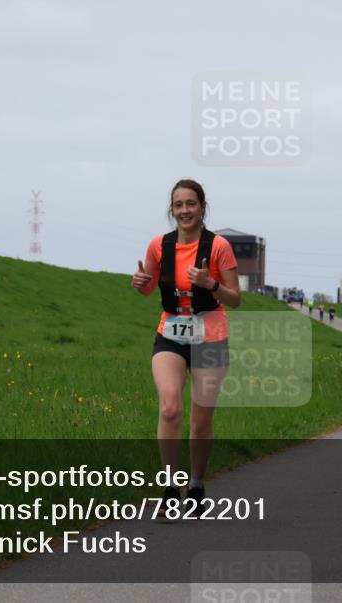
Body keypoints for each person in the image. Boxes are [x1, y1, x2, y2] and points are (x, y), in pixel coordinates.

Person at [131, 179, 241, 515]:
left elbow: (235, 299)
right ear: (171, 210)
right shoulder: (159, 246)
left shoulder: (219, 246)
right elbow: (149, 289)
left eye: (190, 204)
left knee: (200, 423)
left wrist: (211, 284)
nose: (184, 211)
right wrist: (140, 285)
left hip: (211, 335)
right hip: (171, 333)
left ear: (203, 207)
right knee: (169, 408)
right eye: (178, 205)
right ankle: (170, 486)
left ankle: (196, 483)